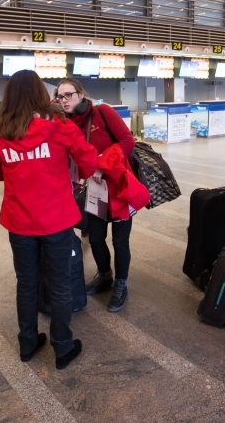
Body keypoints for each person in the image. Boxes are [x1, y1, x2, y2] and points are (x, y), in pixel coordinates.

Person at [0, 70, 98, 369]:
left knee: (26, 283)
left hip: (19, 222)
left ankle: (28, 343)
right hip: (56, 220)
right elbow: (89, 162)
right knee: (59, 285)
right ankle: (62, 347)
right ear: (39, 94)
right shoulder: (59, 126)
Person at [55, 78, 137, 313]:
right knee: (96, 238)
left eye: (68, 95)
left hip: (119, 185)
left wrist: (102, 165)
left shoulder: (103, 112)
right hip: (94, 189)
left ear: (81, 95)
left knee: (120, 240)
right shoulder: (67, 123)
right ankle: (105, 276)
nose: (64, 101)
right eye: (60, 97)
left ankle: (122, 283)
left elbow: (127, 141)